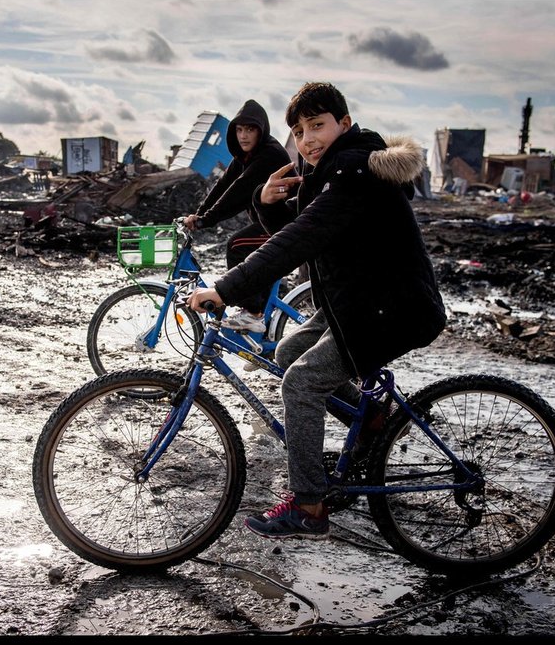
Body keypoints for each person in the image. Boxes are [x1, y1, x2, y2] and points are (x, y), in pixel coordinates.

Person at [187, 82, 447, 539]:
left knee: (302, 383)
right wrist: (265, 204)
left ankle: (309, 506)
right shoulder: (335, 173)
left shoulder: (352, 173)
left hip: (391, 307)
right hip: (359, 301)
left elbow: (298, 242)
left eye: (317, 125)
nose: (307, 139)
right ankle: (370, 417)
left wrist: (225, 289)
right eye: (300, 130)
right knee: (289, 353)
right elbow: (311, 236)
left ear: (343, 125)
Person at [182, 99, 293, 333]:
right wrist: (199, 214)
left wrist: (205, 221)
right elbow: (222, 185)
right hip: (270, 222)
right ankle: (261, 332)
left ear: (261, 131)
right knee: (250, 257)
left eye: (250, 129)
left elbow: (238, 193)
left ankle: (253, 313)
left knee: (237, 245)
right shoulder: (245, 157)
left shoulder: (268, 154)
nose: (243, 135)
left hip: (286, 224)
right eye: (239, 129)